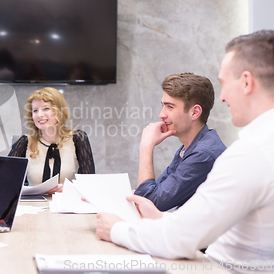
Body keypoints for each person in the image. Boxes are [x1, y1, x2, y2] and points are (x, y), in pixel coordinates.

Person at [97, 30, 274, 270]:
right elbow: (206, 223)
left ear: (246, 82)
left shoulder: (251, 154)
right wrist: (162, 218)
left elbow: (178, 239)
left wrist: (116, 229)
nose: (221, 98)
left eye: (223, 83)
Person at [134, 73, 226, 211]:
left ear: (195, 112)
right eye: (163, 106)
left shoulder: (203, 154)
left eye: (170, 107)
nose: (161, 115)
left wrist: (146, 146)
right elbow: (155, 192)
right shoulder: (192, 146)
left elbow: (149, 204)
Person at [9, 87, 95, 193]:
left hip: (67, 204)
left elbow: (89, 183)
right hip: (33, 207)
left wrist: (70, 189)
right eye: (35, 110)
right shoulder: (24, 142)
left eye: (46, 108)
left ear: (59, 111)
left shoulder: (78, 139)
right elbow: (6, 182)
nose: (40, 115)